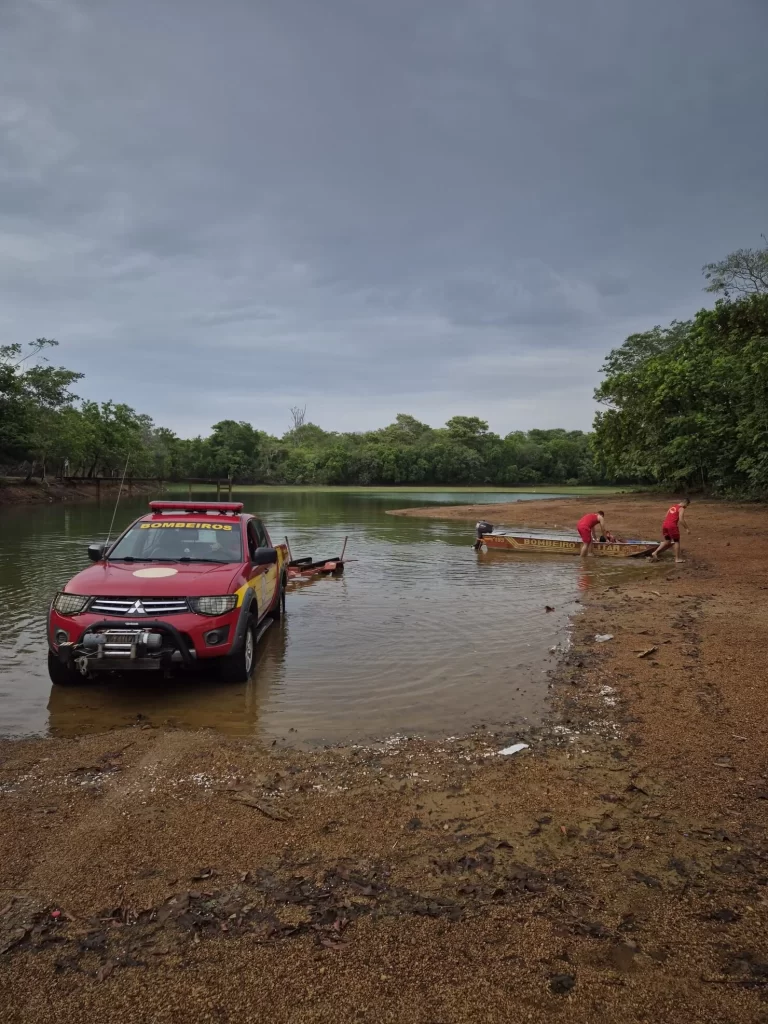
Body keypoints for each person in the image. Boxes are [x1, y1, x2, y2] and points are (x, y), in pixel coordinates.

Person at [651, 498, 690, 563]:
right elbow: (681, 520)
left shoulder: (672, 506)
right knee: (676, 541)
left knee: (667, 541)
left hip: (665, 525)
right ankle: (677, 559)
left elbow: (666, 516)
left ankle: (655, 552)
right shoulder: (681, 508)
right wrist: (687, 528)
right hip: (672, 526)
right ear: (685, 503)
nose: (686, 507)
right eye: (687, 505)